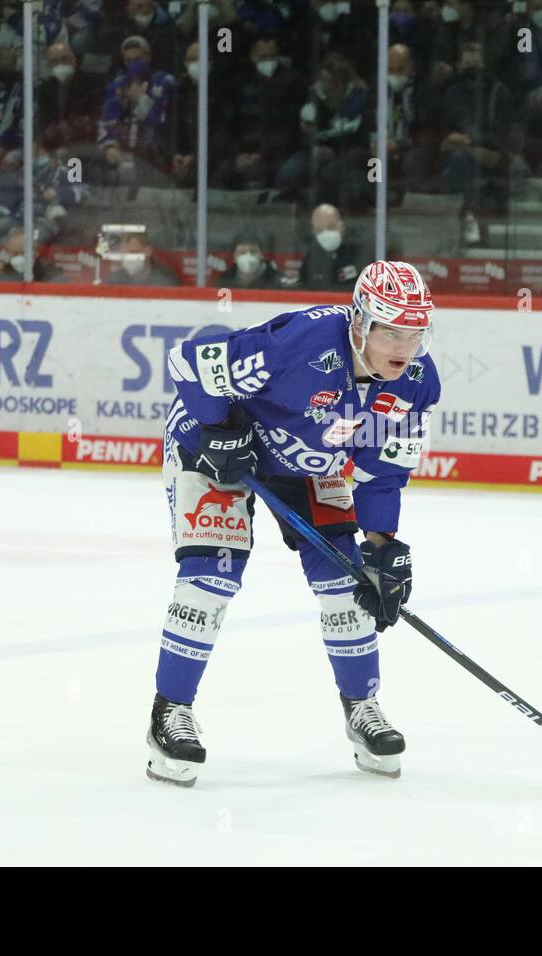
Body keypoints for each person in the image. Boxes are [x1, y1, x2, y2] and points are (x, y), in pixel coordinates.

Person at [147, 261, 442, 786]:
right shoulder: (303, 343)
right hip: (213, 451)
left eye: (416, 332)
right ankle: (169, 713)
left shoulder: (416, 383)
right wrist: (219, 428)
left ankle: (362, 708)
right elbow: (188, 362)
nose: (405, 345)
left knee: (348, 584)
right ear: (361, 323)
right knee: (211, 578)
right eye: (392, 330)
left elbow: (382, 469)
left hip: (309, 464)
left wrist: (381, 547)